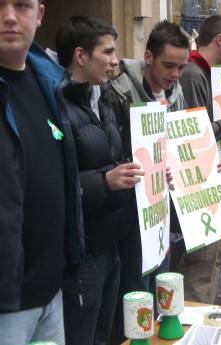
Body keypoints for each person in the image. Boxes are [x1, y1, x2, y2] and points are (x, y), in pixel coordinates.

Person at [0, 1, 84, 344]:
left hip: (52, 294)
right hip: (7, 306)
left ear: (39, 14)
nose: (8, 16)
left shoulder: (50, 83)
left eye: (21, 5)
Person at [55, 16, 143, 345]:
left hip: (112, 244)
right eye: (107, 52)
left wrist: (140, 171)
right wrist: (106, 180)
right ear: (81, 56)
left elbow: (109, 161)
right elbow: (56, 182)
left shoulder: (103, 99)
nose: (115, 60)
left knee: (104, 335)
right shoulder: (57, 106)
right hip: (85, 252)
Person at [103, 20, 189, 345]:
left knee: (161, 291)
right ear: (149, 56)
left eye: (181, 67)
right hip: (130, 217)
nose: (175, 74)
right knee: (135, 298)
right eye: (169, 65)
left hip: (159, 213)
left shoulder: (174, 93)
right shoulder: (117, 95)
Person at [177, 15, 221, 304]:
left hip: (214, 176)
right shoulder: (194, 74)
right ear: (219, 39)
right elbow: (199, 131)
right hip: (200, 184)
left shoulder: (209, 73)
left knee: (214, 258)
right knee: (203, 263)